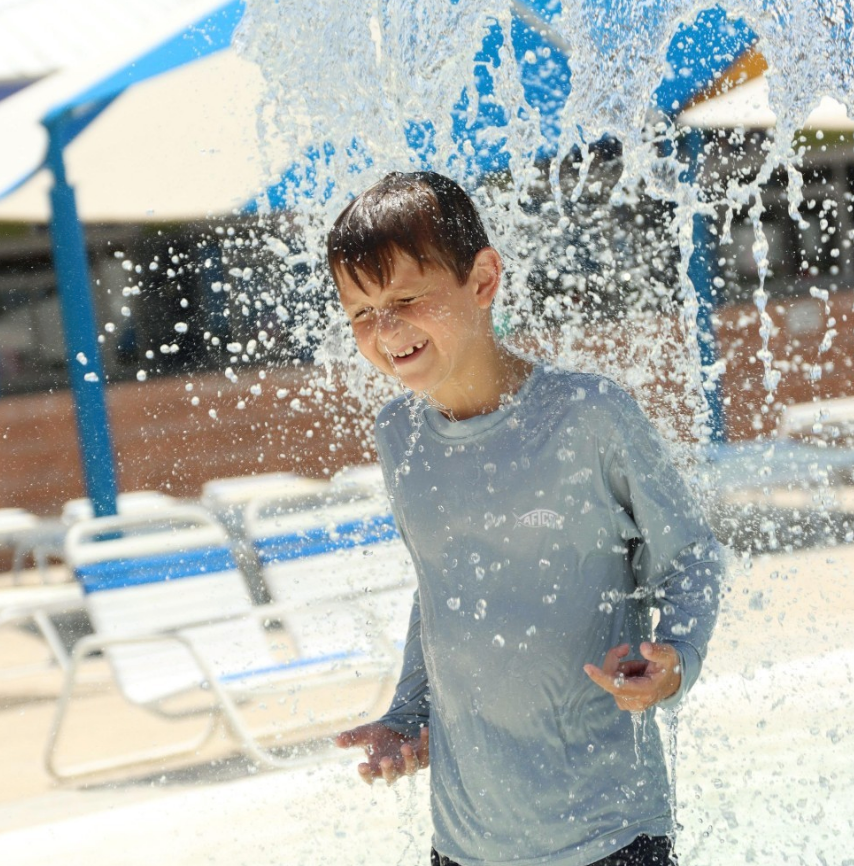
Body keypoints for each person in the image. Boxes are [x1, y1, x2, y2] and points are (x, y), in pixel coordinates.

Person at [329, 171, 722, 866]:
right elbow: (440, 592)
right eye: (360, 311)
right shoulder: (399, 436)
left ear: (483, 281)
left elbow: (689, 556)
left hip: (609, 834)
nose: (383, 331)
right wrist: (406, 714)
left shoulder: (588, 415)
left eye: (406, 299)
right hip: (465, 844)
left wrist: (676, 660)